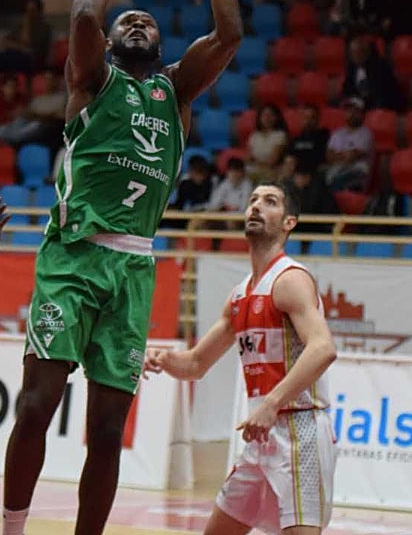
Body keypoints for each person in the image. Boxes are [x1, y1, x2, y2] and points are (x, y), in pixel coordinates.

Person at [2, 0, 243, 535]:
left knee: (107, 428)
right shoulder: (91, 80)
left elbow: (229, 30)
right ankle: (12, 529)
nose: (134, 20)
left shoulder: (177, 91)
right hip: (73, 255)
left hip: (134, 269)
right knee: (34, 405)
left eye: (146, 21)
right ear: (110, 44)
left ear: (161, 48)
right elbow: (83, 16)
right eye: (124, 20)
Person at [144, 182, 338, 535]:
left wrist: (272, 403)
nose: (256, 207)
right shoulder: (240, 294)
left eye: (269, 201)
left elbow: (323, 348)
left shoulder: (291, 279)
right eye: (251, 200)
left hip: (299, 432)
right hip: (260, 438)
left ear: (289, 222)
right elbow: (195, 364)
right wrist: (161, 358)